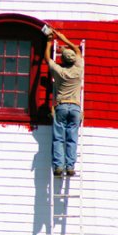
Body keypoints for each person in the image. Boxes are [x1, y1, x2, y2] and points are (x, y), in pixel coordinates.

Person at [44, 29, 83, 177]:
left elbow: (47, 58)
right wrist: (64, 39)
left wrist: (49, 43)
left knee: (59, 137)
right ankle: (70, 166)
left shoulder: (59, 71)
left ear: (62, 60)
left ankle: (59, 166)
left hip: (61, 106)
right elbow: (77, 51)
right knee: (72, 138)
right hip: (75, 107)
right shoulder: (79, 68)